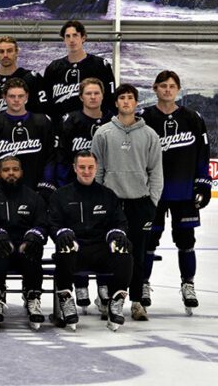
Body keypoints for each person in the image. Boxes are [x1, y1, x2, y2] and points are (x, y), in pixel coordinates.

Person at [141, 70, 212, 315]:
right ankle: (143, 284)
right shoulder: (145, 117)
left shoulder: (193, 118)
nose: (167, 90)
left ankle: (188, 284)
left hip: (183, 191)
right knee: (148, 241)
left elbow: (203, 153)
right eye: (162, 86)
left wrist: (203, 182)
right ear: (155, 89)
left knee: (186, 240)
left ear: (178, 89)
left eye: (172, 86)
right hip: (153, 192)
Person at [91, 83, 163, 322]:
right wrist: (100, 200)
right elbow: (97, 169)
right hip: (112, 205)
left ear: (136, 103)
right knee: (111, 253)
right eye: (122, 98)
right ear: (116, 102)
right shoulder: (103, 133)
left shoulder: (149, 135)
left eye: (130, 98)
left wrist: (151, 202)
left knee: (138, 255)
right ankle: (110, 301)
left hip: (140, 204)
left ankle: (137, 302)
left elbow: (155, 172)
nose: (126, 102)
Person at [50, 151, 134, 331]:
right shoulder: (60, 195)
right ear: (74, 168)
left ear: (96, 168)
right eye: (82, 167)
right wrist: (62, 233)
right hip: (76, 248)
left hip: (100, 249)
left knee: (124, 251)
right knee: (64, 248)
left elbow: (120, 221)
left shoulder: (108, 195)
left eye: (90, 167)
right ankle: (65, 299)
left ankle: (116, 301)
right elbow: (53, 223)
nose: (86, 171)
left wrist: (117, 234)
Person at [57, 77, 112, 310]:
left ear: (102, 95)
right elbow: (61, 156)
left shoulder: (112, 120)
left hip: (104, 188)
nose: (92, 97)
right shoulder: (70, 121)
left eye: (96, 93)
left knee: (102, 234)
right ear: (81, 97)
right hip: (75, 188)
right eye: (88, 93)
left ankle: (103, 285)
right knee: (76, 234)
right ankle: (79, 283)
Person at [0, 156, 48, 329]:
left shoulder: (34, 198)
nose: (11, 173)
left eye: (15, 169)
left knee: (33, 252)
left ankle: (33, 297)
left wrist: (34, 236)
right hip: (1, 247)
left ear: (21, 172)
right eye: (6, 170)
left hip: (25, 246)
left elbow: (43, 225)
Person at [0, 78, 57, 198]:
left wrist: (46, 184)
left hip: (36, 192)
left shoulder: (42, 122)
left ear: (27, 97)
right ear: (4, 97)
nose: (16, 100)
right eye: (12, 96)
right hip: (1, 193)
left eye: (20, 96)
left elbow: (51, 157)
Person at [42, 20, 116, 122]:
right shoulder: (54, 68)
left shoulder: (100, 65)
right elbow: (47, 102)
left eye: (75, 35)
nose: (71, 40)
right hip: (61, 127)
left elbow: (110, 99)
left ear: (83, 38)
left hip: (92, 125)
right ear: (64, 39)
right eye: (68, 36)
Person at [0, 36, 45, 115]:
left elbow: (41, 111)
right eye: (1, 51)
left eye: (9, 51)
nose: (5, 55)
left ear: (16, 52)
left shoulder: (31, 78)